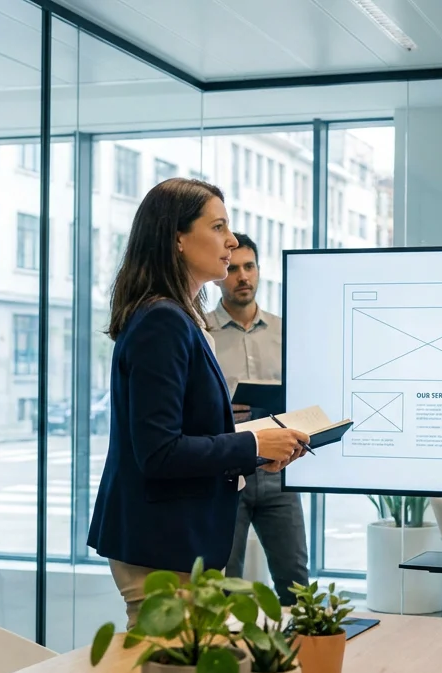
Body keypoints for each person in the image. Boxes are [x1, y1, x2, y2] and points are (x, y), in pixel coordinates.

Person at [87, 178, 310, 631]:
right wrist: (252, 446)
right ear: (178, 239)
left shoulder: (174, 316)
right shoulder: (162, 322)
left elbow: (186, 436)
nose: (230, 241)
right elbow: (160, 451)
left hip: (174, 538)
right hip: (161, 544)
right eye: (219, 226)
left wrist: (259, 451)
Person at [208, 232, 308, 605]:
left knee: (295, 580)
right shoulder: (202, 332)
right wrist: (216, 410)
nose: (242, 276)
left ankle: (300, 659)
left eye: (249, 267)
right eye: (233, 269)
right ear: (220, 274)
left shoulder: (286, 332)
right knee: (224, 583)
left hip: (279, 470)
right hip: (226, 471)